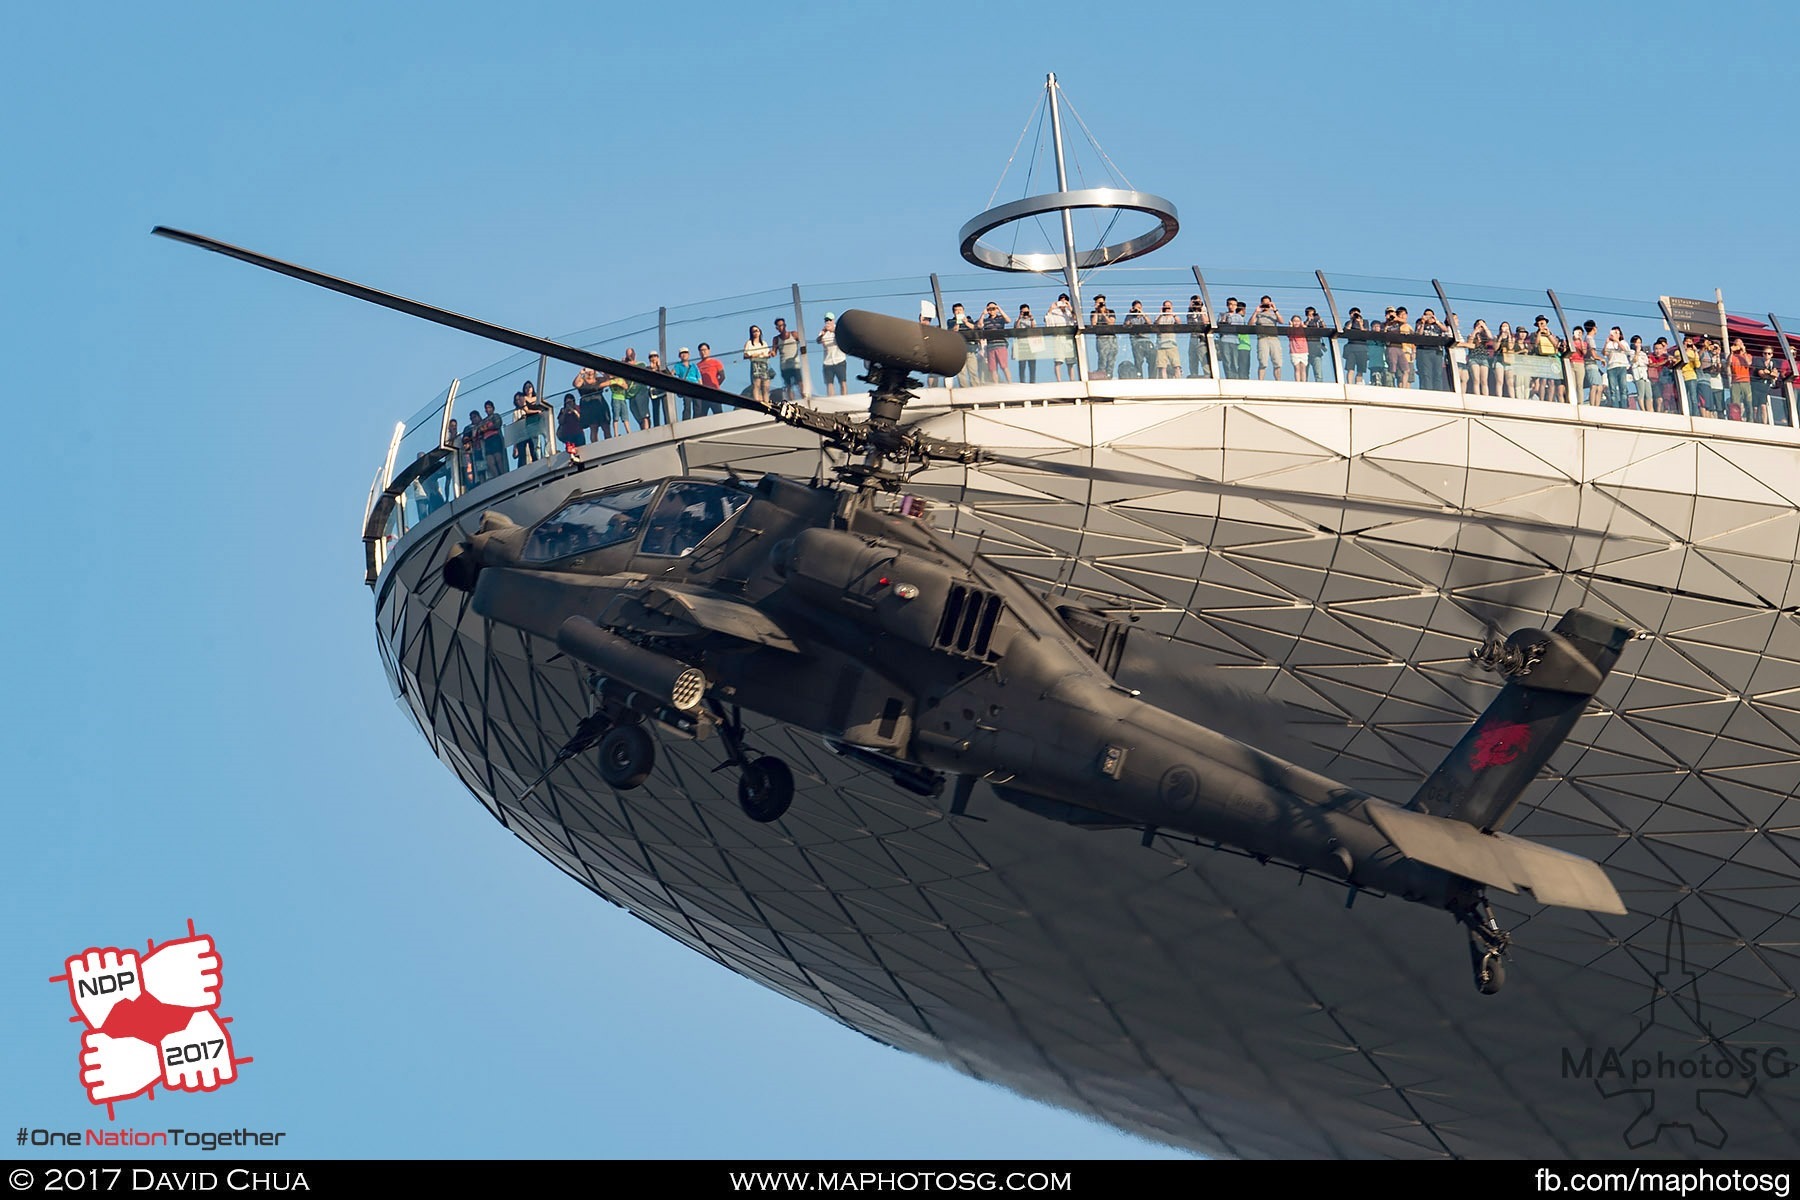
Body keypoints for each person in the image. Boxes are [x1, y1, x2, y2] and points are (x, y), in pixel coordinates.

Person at [947, 303, 981, 387]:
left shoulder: (969, 320)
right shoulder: (950, 321)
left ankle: (976, 388)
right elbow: (952, 331)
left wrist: (966, 322)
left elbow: (974, 328)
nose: (958, 312)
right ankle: (964, 389)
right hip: (958, 350)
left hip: (970, 349)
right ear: (953, 312)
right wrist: (958, 322)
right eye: (956, 310)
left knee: (973, 370)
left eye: (960, 310)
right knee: (961, 372)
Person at [1251, 295, 1284, 381]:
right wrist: (1256, 312)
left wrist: (1275, 309)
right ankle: (1261, 381)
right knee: (1263, 362)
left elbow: (1281, 321)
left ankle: (1278, 381)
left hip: (1274, 338)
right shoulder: (1259, 315)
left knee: (1277, 362)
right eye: (1264, 303)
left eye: (1267, 303)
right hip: (1263, 338)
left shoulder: (1274, 314)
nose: (1266, 305)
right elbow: (1250, 324)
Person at [772, 317, 804, 400]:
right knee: (788, 385)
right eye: (779, 326)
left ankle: (804, 398)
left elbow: (803, 342)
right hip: (784, 366)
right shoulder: (776, 339)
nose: (782, 327)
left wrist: (802, 349)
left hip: (795, 364)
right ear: (777, 328)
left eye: (783, 325)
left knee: (800, 383)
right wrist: (770, 353)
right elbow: (774, 352)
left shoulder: (793, 334)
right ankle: (792, 401)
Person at [575, 366, 609, 442]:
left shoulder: (598, 380)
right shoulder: (582, 381)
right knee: (593, 428)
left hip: (599, 403)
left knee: (605, 426)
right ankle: (595, 446)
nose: (590, 371)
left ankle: (609, 444)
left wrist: (601, 371)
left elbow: (608, 379)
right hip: (588, 406)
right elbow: (576, 384)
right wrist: (581, 373)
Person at [816, 314, 848, 396]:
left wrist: (833, 330)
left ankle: (844, 398)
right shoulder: (823, 332)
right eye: (826, 320)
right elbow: (818, 341)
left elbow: (843, 336)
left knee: (842, 382)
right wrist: (823, 333)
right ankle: (832, 399)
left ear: (833, 320)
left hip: (839, 360)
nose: (828, 322)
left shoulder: (838, 329)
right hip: (828, 362)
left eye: (830, 320)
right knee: (829, 384)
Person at [744, 325, 775, 405]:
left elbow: (767, 353)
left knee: (766, 385)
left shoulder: (763, 343)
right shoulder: (749, 343)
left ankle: (766, 402)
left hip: (764, 363)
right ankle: (757, 402)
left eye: (757, 330)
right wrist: (755, 355)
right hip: (755, 363)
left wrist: (769, 354)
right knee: (757, 384)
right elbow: (746, 354)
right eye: (754, 331)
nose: (756, 332)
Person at [980, 301, 1011, 382]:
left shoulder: (1000, 318)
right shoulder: (986, 320)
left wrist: (999, 309)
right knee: (993, 368)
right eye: (989, 309)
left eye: (993, 308)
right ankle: (996, 384)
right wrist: (983, 314)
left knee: (1004, 366)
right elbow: (979, 325)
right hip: (990, 346)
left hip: (1000, 344)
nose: (992, 310)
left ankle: (1010, 383)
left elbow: (1008, 320)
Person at [1124, 300, 1154, 380]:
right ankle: (1139, 378)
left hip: (1146, 341)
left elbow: (1150, 324)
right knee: (1138, 361)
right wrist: (1131, 315)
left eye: (1140, 308)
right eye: (1136, 308)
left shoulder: (1145, 316)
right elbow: (1126, 325)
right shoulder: (1130, 317)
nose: (1138, 310)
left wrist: (1142, 313)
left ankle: (1152, 378)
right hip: (1136, 342)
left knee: (1152, 360)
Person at [479, 400, 508, 481]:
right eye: (486, 408)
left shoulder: (495, 416)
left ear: (493, 408)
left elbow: (497, 424)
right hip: (487, 441)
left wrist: (487, 428)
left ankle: (503, 476)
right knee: (490, 462)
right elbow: (480, 429)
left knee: (498, 459)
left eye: (489, 407)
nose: (487, 409)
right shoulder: (484, 420)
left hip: (495, 438)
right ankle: (497, 478)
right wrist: (483, 429)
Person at [1087, 296, 1115, 379]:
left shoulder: (1110, 312)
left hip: (1111, 338)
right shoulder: (1093, 313)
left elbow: (1111, 323)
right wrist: (1097, 311)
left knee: (1111, 360)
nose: (1100, 304)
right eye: (1098, 303)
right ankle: (1102, 376)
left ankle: (1109, 377)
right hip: (1101, 338)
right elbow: (1094, 324)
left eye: (1101, 303)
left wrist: (1104, 314)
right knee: (1102, 358)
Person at [1603, 327, 1630, 408]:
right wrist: (1606, 343)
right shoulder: (1609, 344)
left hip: (1621, 366)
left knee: (1623, 388)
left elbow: (1626, 351)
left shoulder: (1623, 342)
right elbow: (1605, 353)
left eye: (1616, 332)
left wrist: (1617, 340)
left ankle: (1624, 405)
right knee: (1612, 389)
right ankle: (1615, 406)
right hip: (1611, 367)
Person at [1013, 303, 1039, 383]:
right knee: (1022, 365)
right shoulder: (1018, 320)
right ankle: (1022, 382)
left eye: (1026, 312)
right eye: (1023, 312)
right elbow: (1016, 329)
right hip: (1021, 345)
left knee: (1032, 365)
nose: (1025, 314)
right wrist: (1019, 318)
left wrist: (1031, 318)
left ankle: (1032, 382)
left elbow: (1034, 329)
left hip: (1031, 345)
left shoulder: (1032, 319)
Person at [1728, 340, 1753, 422]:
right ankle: (1736, 419)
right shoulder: (1733, 356)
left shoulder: (1748, 355)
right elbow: (1728, 363)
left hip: (1745, 381)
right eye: (1736, 344)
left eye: (1740, 344)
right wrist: (1731, 352)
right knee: (1735, 403)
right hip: (1735, 382)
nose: (1738, 346)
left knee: (1748, 402)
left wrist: (1743, 351)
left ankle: (1750, 420)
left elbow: (1749, 363)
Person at [697, 342, 726, 413]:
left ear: (709, 350)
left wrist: (715, 385)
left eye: (704, 350)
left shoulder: (716, 362)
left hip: (714, 392)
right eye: (701, 350)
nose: (703, 352)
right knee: (701, 415)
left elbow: (722, 376)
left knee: (718, 413)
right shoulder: (697, 365)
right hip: (702, 393)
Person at [1154, 300, 1181, 378]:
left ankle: (1179, 381)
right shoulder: (1159, 316)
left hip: (1172, 344)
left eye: (1169, 306)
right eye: (1166, 306)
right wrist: (1161, 314)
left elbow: (1179, 323)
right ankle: (1164, 382)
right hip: (1161, 345)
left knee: (1176, 365)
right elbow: (1156, 324)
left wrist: (1173, 314)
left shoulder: (1174, 317)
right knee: (1162, 367)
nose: (1167, 308)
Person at [672, 347, 702, 417]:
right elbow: (672, 373)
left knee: (698, 405)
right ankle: (686, 420)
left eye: (685, 353)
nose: (684, 355)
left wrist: (701, 389)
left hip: (696, 387)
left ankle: (697, 420)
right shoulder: (678, 366)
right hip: (686, 387)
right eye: (682, 353)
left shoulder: (693, 365)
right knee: (687, 405)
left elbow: (699, 378)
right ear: (679, 356)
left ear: (688, 355)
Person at [1187, 295, 1212, 379]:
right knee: (1192, 359)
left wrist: (1200, 310)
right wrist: (1191, 309)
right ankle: (1194, 375)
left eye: (1197, 302)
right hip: (1193, 338)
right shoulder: (1190, 312)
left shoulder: (1204, 310)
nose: (1196, 303)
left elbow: (1206, 322)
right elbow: (1189, 324)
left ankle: (1208, 375)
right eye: (1194, 302)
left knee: (1204, 358)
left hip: (1202, 339)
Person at [1302, 305, 1327, 383]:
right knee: (1304, 373)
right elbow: (1303, 328)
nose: (1312, 316)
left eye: (1313, 314)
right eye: (1310, 314)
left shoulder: (1318, 323)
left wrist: (1320, 320)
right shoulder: (1304, 322)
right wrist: (1308, 320)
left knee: (1318, 373)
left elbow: (1325, 329)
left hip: (1317, 351)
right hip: (1306, 351)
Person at [1287, 315, 1309, 383]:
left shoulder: (1302, 329)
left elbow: (1308, 332)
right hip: (1294, 351)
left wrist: (1303, 326)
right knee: (1297, 368)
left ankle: (1304, 382)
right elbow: (1288, 334)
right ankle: (1298, 382)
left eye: (1298, 321)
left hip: (1304, 351)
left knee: (1303, 368)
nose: (1296, 323)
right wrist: (1290, 326)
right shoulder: (1291, 330)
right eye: (1294, 321)